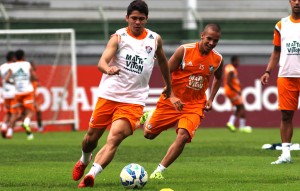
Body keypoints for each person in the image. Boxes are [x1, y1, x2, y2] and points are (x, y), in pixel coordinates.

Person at [72, 0, 176, 188]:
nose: (137, 22)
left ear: (146, 19)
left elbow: (162, 62)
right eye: (134, 18)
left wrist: (169, 86)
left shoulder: (154, 39)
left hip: (134, 100)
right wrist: (108, 69)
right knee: (90, 139)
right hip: (109, 95)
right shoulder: (118, 37)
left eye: (141, 19)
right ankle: (84, 159)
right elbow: (102, 61)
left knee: (115, 137)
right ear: (127, 18)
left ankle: (92, 174)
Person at [142, 23, 223, 179]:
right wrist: (171, 95)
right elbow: (166, 70)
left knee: (183, 135)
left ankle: (158, 171)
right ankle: (150, 116)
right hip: (171, 101)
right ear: (202, 35)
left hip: (194, 105)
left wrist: (211, 99)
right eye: (209, 39)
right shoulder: (184, 50)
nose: (212, 43)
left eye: (216, 41)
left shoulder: (218, 59)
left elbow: (219, 78)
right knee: (149, 135)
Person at [260, 0, 300, 164]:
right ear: (290, 2)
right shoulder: (281, 25)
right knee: (286, 115)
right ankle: (286, 154)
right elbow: (276, 51)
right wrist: (268, 70)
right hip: (286, 75)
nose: (297, 2)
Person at [5, 49, 37, 140]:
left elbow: (6, 79)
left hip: (17, 93)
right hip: (27, 92)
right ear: (23, 56)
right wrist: (32, 79)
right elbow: (34, 76)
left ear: (15, 57)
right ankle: (26, 124)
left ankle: (11, 131)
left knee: (19, 114)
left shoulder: (12, 66)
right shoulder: (27, 64)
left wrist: (14, 83)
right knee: (30, 112)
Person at [224, 55, 252, 133]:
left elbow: (231, 80)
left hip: (229, 91)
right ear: (234, 61)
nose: (238, 63)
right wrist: (237, 90)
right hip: (232, 91)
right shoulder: (232, 70)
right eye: (237, 61)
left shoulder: (228, 67)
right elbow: (228, 82)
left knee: (238, 107)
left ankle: (232, 123)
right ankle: (240, 126)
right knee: (241, 107)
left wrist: (238, 84)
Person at [0, 51, 17, 138]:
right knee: (14, 113)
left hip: (5, 93)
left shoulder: (2, 67)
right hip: (14, 92)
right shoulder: (15, 66)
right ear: (13, 58)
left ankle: (3, 126)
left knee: (8, 113)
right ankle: (9, 132)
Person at [30, 61, 44, 132]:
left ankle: (40, 129)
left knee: (38, 112)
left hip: (34, 96)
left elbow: (35, 82)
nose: (36, 66)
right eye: (34, 65)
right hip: (30, 96)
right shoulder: (30, 74)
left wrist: (37, 84)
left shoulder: (32, 75)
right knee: (29, 113)